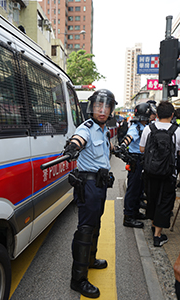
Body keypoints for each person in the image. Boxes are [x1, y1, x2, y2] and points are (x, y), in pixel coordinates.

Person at [63, 89, 116, 298]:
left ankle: (91, 260)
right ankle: (78, 279)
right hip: (88, 185)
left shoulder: (104, 130)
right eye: (97, 106)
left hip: (100, 185)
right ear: (91, 108)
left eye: (106, 107)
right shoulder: (86, 128)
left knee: (96, 224)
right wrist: (72, 147)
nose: (101, 110)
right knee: (85, 229)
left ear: (111, 109)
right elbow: (78, 139)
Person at [140, 101, 180, 247]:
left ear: (156, 115)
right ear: (172, 115)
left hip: (150, 172)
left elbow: (142, 149)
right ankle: (158, 236)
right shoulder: (177, 130)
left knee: (152, 198)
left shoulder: (148, 128)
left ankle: (153, 225)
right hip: (169, 173)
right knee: (164, 202)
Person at [114, 102, 151, 228]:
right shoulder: (135, 127)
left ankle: (135, 212)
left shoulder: (145, 126)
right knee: (133, 189)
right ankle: (128, 216)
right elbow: (129, 138)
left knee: (139, 189)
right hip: (136, 160)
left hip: (143, 160)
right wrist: (123, 145)